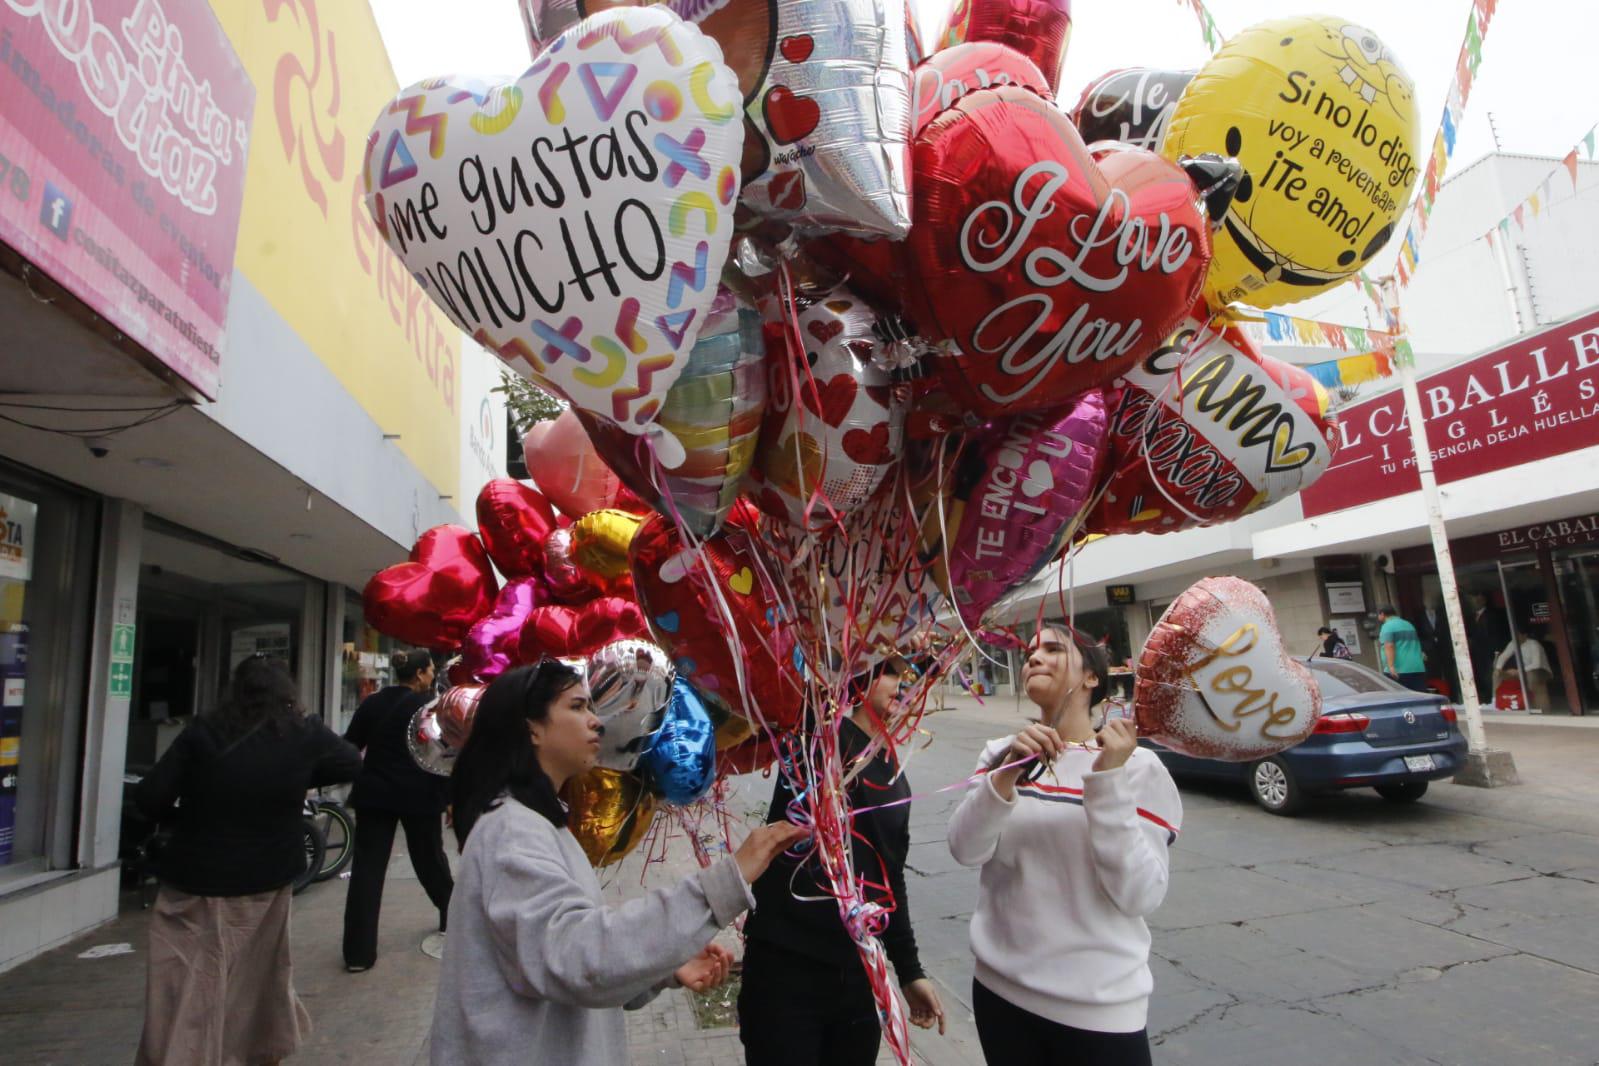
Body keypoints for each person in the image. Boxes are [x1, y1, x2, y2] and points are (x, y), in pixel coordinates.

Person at [430, 660, 808, 1066]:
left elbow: (570, 958)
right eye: (577, 708)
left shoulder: (538, 823)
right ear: (531, 728)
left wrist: (663, 967)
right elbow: (575, 956)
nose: (596, 722)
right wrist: (726, 881)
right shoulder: (510, 831)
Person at [947, 625, 1182, 1065]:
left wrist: (1108, 777)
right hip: (1000, 992)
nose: (1034, 657)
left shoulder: (1138, 766)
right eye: (1032, 650)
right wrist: (1005, 774)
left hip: (1098, 1012)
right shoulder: (1000, 752)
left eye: (1053, 649)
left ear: (1092, 677)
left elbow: (1139, 895)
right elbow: (965, 849)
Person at [133, 655, 361, 1065]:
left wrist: (193, 809)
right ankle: (250, 1052)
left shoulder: (203, 732)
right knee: (255, 984)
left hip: (196, 879)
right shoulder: (301, 733)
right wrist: (292, 778)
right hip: (267, 880)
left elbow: (150, 797)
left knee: (186, 987)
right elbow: (350, 760)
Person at [738, 657, 946, 1064]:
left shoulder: (893, 770)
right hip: (786, 968)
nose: (901, 682)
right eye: (889, 671)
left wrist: (910, 971)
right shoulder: (817, 740)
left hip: (854, 974)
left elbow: (890, 879)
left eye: (908, 675)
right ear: (858, 679)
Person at [342, 648, 455, 972]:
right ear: (419, 674)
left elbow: (350, 745)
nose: (433, 674)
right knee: (430, 858)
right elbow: (442, 755)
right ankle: (452, 915)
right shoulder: (428, 708)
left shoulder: (372, 703)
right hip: (419, 795)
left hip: (374, 795)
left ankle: (358, 954)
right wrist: (450, 797)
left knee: (367, 870)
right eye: (431, 669)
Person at [1494, 629, 1553, 711]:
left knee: (1531, 675)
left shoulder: (1533, 644)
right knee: (1497, 675)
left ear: (1524, 635)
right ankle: (1496, 701)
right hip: (1522, 671)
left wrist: (1518, 671)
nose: (1515, 638)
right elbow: (1503, 656)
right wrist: (1498, 669)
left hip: (1540, 670)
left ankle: (1532, 706)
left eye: (1518, 635)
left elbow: (1537, 664)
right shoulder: (1513, 643)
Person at [1467, 592, 1511, 700]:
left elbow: (1497, 633)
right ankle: (1486, 698)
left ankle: (1493, 697)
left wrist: (1498, 650)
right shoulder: (1471, 617)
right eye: (1475, 600)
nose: (1477, 602)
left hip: (1491, 651)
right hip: (1478, 652)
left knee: (1490, 675)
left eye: (1479, 600)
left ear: (1484, 601)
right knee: (1481, 675)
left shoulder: (1492, 615)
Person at [1376, 606, 1429, 692]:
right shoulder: (1408, 624)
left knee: (1401, 699)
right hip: (1417, 667)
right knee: (1419, 697)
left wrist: (1391, 666)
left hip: (1399, 670)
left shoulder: (1387, 626)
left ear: (1382, 614)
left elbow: (1389, 645)